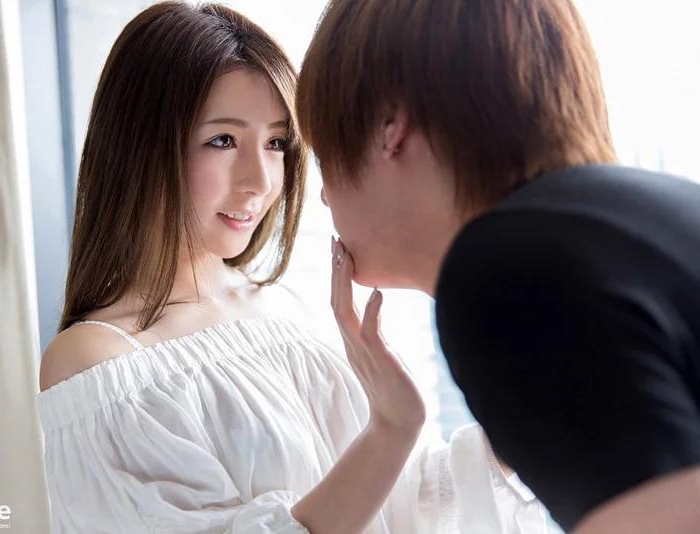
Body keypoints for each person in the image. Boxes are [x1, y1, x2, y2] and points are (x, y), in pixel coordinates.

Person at [36, 2, 550, 533]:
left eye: (277, 142)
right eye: (223, 140)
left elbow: (402, 503)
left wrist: (543, 401)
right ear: (141, 147)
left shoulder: (285, 308)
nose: (261, 180)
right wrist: (391, 429)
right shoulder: (99, 360)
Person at [296, 0, 700, 532]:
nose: (324, 196)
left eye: (323, 156)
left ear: (389, 125)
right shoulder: (652, 211)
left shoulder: (507, 273)